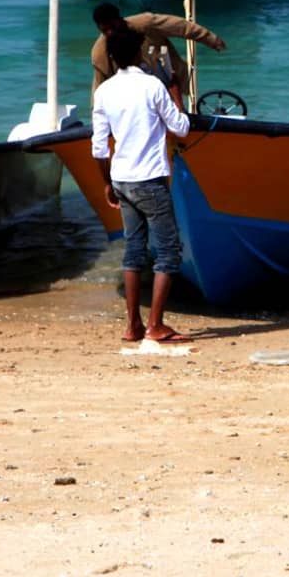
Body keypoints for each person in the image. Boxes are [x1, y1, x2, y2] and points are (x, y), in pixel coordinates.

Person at [91, 27, 193, 345]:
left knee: (133, 252)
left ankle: (133, 325)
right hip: (149, 178)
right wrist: (175, 91)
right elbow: (181, 127)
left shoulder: (105, 91)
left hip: (121, 178)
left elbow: (98, 148)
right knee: (168, 253)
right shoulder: (152, 86)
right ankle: (155, 325)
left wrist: (107, 182)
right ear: (138, 53)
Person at [90, 3, 226, 112]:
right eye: (105, 30)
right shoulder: (100, 54)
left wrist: (211, 39)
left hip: (168, 82)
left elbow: (181, 26)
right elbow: (98, 90)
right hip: (135, 98)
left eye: (113, 27)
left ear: (120, 19)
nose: (110, 32)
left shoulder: (146, 23)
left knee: (176, 113)